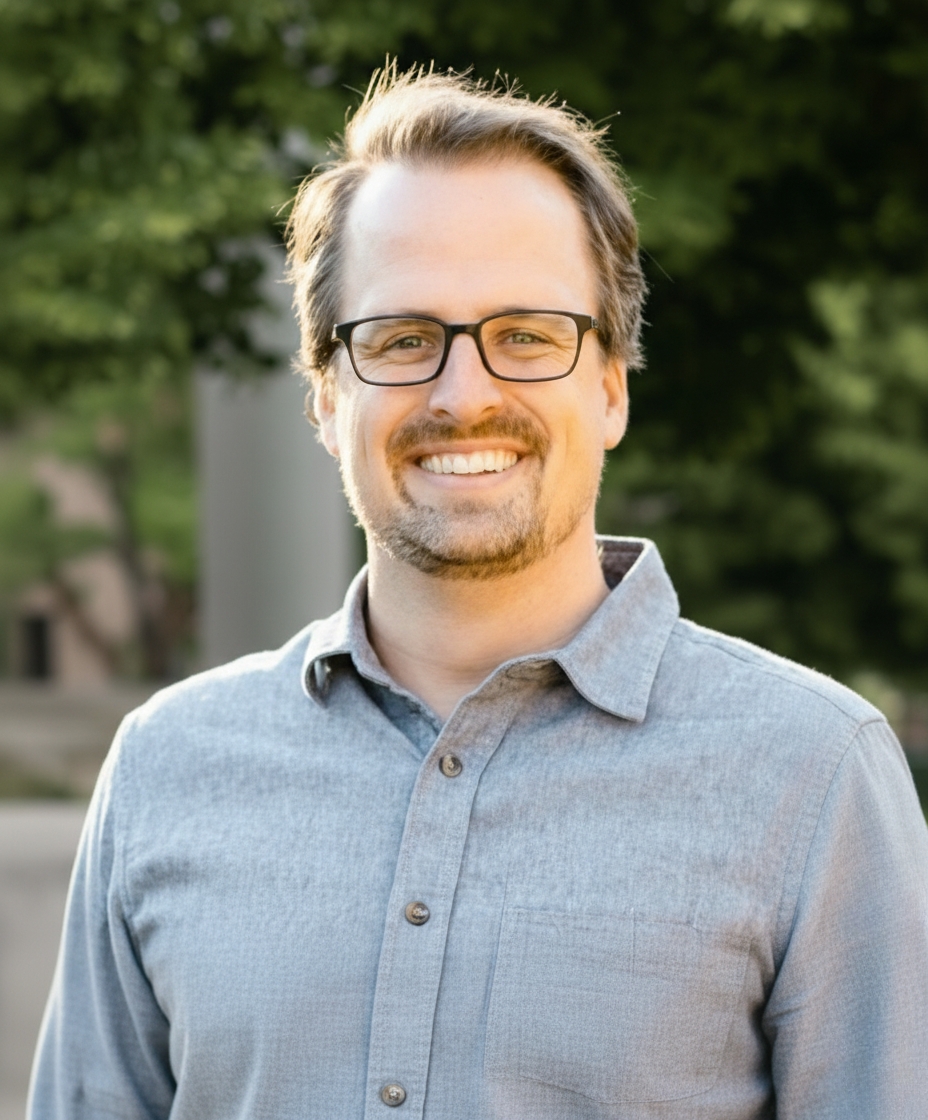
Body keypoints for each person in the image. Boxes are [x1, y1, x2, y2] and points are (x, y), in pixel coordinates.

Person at [29, 66, 928, 1120]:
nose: (464, 395)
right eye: (403, 339)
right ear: (325, 397)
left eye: (527, 336)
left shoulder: (813, 774)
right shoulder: (167, 767)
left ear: (610, 387)